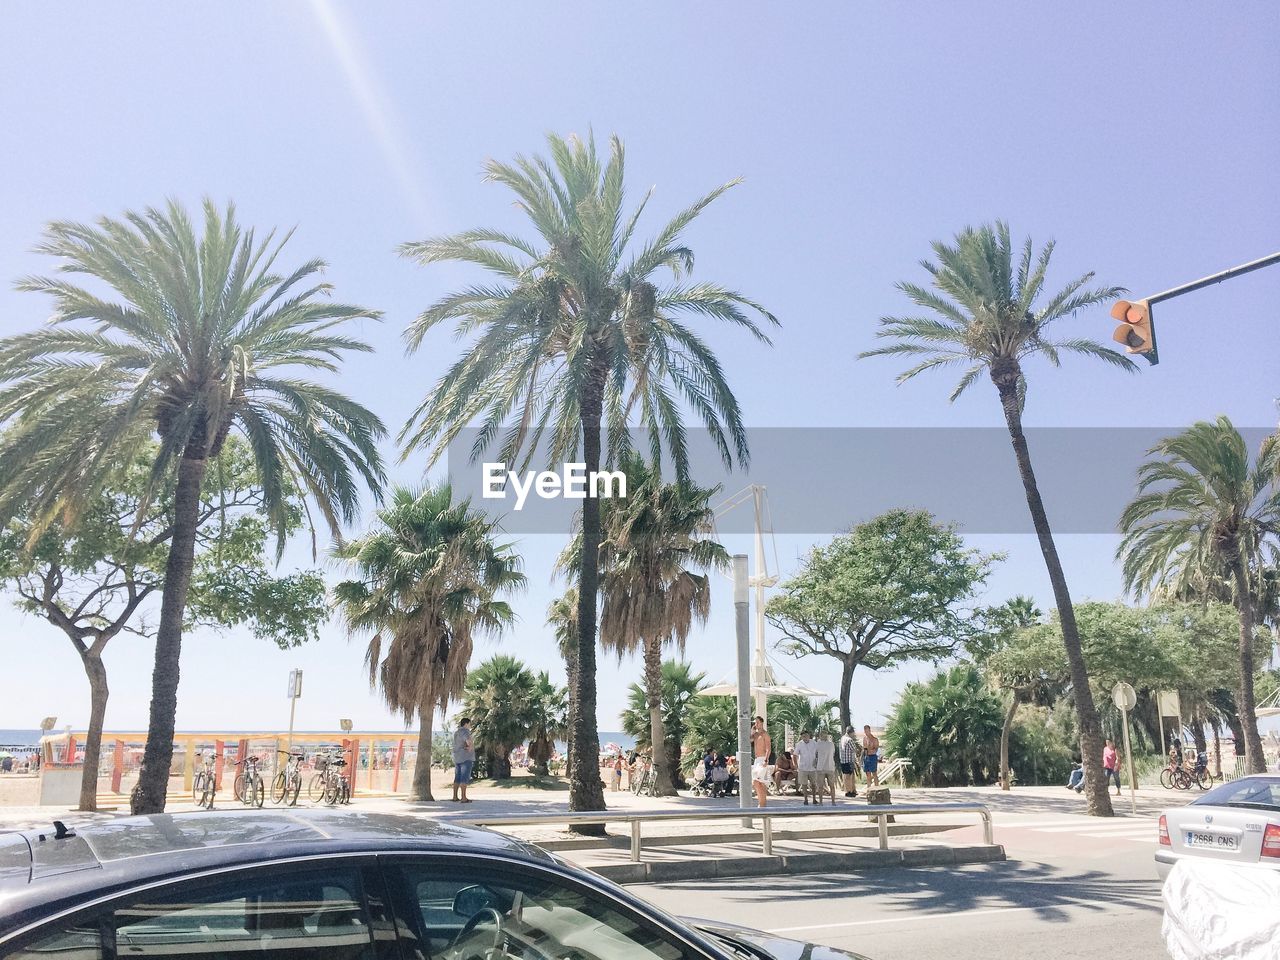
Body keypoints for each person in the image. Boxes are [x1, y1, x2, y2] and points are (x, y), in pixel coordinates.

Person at [451, 717, 475, 803]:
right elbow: (468, 741)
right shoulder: (465, 731)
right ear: (466, 724)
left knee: (457, 777)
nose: (470, 726)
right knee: (464, 778)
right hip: (466, 757)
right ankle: (464, 797)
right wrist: (470, 748)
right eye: (470, 724)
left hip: (457, 757)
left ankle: (454, 796)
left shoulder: (456, 732)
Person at [793, 730, 820, 805]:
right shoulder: (799, 744)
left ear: (809, 736)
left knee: (813, 784)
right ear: (801, 737)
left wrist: (817, 762)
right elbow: (795, 755)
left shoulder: (814, 743)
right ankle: (805, 799)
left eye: (807, 736)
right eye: (804, 736)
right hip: (803, 767)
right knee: (804, 784)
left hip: (812, 767)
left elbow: (819, 752)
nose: (805, 738)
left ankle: (814, 799)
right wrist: (796, 765)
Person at [815, 730, 838, 805]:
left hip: (822, 767)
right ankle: (832, 802)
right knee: (830, 786)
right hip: (828, 767)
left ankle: (822, 802)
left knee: (822, 786)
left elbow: (815, 754)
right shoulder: (831, 744)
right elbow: (833, 753)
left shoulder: (818, 744)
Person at [839, 726, 859, 798]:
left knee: (845, 776)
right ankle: (849, 791)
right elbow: (854, 749)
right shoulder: (849, 740)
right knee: (849, 777)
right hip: (849, 760)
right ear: (851, 732)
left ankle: (848, 790)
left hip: (843, 760)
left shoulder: (842, 738)